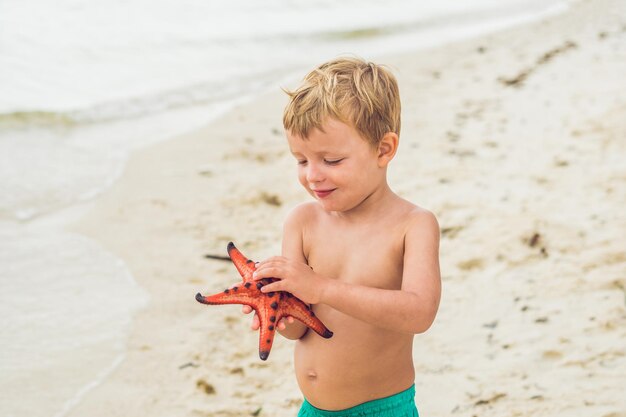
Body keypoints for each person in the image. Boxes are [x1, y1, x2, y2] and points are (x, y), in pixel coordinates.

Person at [243, 57, 441, 417]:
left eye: (331, 160)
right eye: (301, 160)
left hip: (384, 410)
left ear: (383, 149)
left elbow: (419, 313)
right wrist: (277, 312)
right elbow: (300, 331)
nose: (312, 175)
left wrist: (321, 288)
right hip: (312, 410)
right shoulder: (301, 222)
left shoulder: (413, 225)